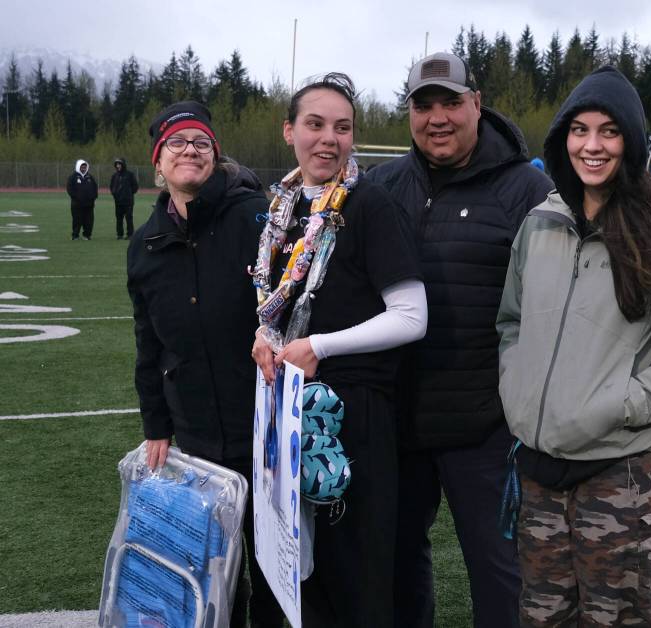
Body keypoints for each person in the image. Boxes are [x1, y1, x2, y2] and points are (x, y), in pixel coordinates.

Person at [497, 66, 651, 627]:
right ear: (562, 139)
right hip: (541, 471)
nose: (592, 145)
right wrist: (518, 388)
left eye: (608, 131)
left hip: (625, 476)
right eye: (579, 130)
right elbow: (511, 322)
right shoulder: (540, 222)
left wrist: (624, 403)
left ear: (629, 140)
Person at [364, 51, 552, 628]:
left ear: (477, 104)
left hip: (485, 428)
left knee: (501, 577)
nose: (437, 118)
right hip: (395, 422)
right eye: (424, 105)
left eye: (451, 102)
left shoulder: (527, 190)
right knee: (394, 570)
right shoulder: (379, 185)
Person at [250, 73, 426, 628]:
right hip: (290, 412)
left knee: (355, 577)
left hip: (354, 418)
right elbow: (279, 307)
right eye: (315, 124)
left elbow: (412, 316)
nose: (329, 138)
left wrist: (319, 346)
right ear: (289, 132)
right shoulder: (282, 211)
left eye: (342, 128)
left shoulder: (369, 204)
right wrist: (266, 338)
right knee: (300, 577)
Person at [127, 101, 285, 628]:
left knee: (273, 572)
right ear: (158, 162)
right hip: (194, 442)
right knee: (208, 572)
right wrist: (157, 425)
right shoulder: (145, 243)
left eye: (200, 142)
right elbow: (149, 344)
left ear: (215, 156)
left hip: (262, 427)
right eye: (177, 143)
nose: (189, 150)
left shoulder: (253, 217)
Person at [66, 159, 98, 240]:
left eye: (85, 167)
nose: (83, 168)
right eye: (82, 167)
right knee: (77, 220)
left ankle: (87, 235)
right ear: (78, 167)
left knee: (89, 221)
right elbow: (69, 189)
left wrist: (93, 198)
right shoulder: (73, 177)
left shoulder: (90, 177)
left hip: (89, 204)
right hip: (77, 204)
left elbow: (95, 188)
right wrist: (76, 197)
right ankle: (75, 235)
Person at [110, 157, 139, 240]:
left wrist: (128, 194)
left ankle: (130, 234)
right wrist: (114, 194)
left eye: (119, 164)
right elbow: (111, 187)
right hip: (118, 201)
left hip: (128, 201)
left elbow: (135, 186)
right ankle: (119, 234)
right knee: (119, 219)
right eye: (117, 164)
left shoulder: (129, 175)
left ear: (123, 165)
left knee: (129, 218)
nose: (118, 166)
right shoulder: (114, 176)